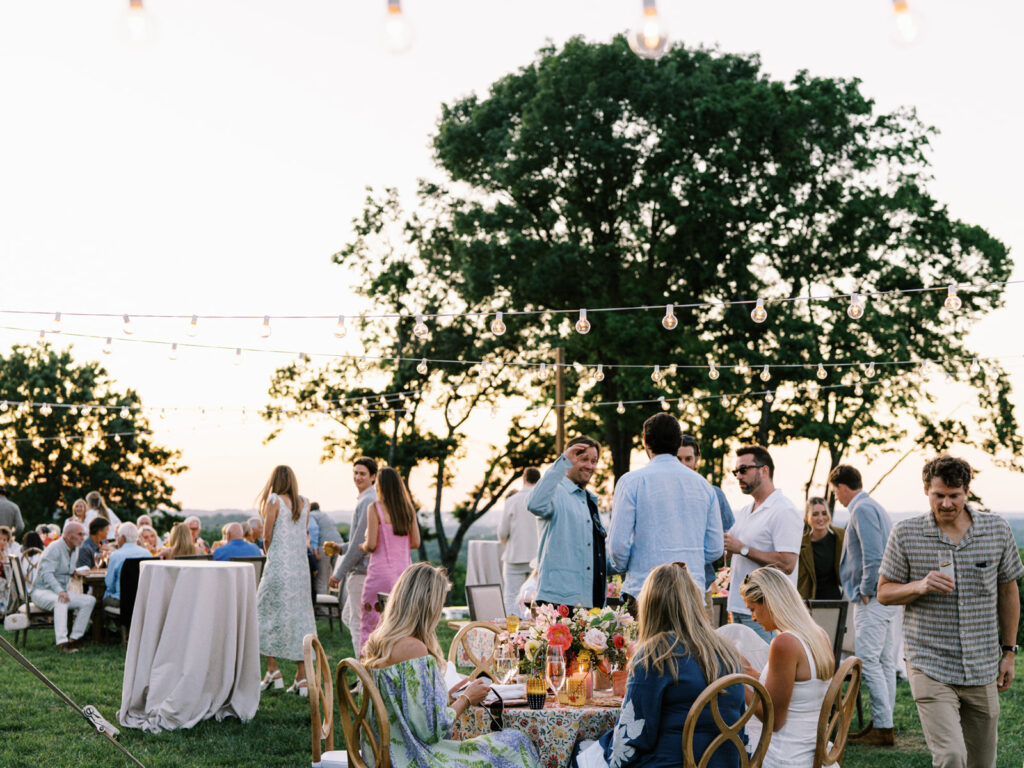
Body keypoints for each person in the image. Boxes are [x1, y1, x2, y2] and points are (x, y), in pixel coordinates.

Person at [878, 455, 1023, 768]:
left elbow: (1008, 592)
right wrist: (919, 586)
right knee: (951, 756)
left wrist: (1009, 652)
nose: (946, 504)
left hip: (982, 666)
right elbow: (884, 592)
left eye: (953, 496)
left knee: (983, 762)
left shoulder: (996, 530)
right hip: (930, 663)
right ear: (927, 492)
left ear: (966, 492)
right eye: (938, 495)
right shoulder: (905, 533)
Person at [361, 561, 541, 768]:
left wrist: (445, 699)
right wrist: (466, 699)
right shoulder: (413, 648)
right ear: (427, 606)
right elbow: (430, 732)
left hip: (384, 754)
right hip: (415, 758)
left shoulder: (380, 642)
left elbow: (406, 709)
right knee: (516, 741)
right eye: (439, 606)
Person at [575, 562, 746, 768]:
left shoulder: (656, 655)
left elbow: (633, 737)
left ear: (649, 606)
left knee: (580, 753)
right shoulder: (726, 652)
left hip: (673, 763)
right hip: (727, 763)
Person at [610, 414, 723, 615]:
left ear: (645, 440)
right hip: (691, 593)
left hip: (644, 591)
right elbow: (715, 548)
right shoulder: (704, 486)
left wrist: (632, 565)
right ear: (678, 441)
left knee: (644, 647)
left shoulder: (631, 482)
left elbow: (618, 547)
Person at [828, 464, 899, 747]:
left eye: (835, 492)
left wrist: (867, 589)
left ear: (842, 487)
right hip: (885, 599)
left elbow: (873, 555)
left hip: (873, 599)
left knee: (869, 660)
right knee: (883, 661)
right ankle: (885, 722)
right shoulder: (873, 506)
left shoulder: (861, 510)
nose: (836, 497)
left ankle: (883, 727)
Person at [739, 566, 836, 768]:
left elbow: (773, 721)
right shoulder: (818, 635)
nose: (753, 618)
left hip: (785, 756)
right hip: (815, 751)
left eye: (752, 609)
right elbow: (800, 691)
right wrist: (751, 674)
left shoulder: (784, 643)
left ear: (769, 602)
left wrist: (737, 684)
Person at [723, 446, 803, 643]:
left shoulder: (784, 510)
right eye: (736, 472)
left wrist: (742, 548)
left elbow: (787, 564)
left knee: (764, 670)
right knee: (745, 672)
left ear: (764, 470)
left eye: (743, 470)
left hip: (766, 611)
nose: (738, 477)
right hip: (738, 607)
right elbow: (731, 550)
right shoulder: (745, 510)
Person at [255, 465, 317, 696]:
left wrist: (270, 552)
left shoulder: (274, 500)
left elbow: (267, 535)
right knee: (300, 617)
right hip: (300, 569)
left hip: (279, 566)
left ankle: (273, 670)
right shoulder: (305, 503)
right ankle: (301, 677)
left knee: (264, 612)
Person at [528, 436, 607, 610]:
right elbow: (534, 504)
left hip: (591, 602)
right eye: (583, 459)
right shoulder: (555, 492)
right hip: (558, 602)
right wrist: (562, 462)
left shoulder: (590, 500)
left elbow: (596, 554)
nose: (590, 466)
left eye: (594, 461)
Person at [359, 466, 420, 652]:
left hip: (380, 573)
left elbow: (371, 545)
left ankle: (369, 671)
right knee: (401, 622)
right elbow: (415, 542)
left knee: (372, 623)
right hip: (404, 573)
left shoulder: (375, 508)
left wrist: (363, 543)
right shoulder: (407, 509)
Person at [328, 457, 378, 649]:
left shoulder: (368, 501)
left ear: (373, 477)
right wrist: (340, 548)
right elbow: (360, 540)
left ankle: (363, 674)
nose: (358, 477)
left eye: (362, 474)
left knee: (358, 624)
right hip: (362, 570)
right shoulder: (366, 499)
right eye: (355, 473)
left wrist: (338, 573)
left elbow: (360, 544)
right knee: (349, 617)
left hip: (362, 572)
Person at [678, 434, 735, 599]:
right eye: (678, 459)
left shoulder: (714, 494)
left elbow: (727, 541)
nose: (683, 465)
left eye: (688, 459)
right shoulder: (661, 496)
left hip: (702, 584)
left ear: (696, 461)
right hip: (666, 585)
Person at [31, 520, 95, 653]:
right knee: (61, 601)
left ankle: (74, 638)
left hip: (60, 590)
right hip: (41, 591)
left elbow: (65, 567)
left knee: (90, 600)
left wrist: (74, 572)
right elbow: (47, 574)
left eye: (83, 534)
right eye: (80, 534)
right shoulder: (54, 548)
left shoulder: (75, 548)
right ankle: (63, 643)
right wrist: (60, 591)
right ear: (68, 535)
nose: (83, 537)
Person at [496, 467, 540, 617]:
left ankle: (512, 635)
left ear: (524, 479)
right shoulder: (544, 500)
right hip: (538, 559)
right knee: (537, 599)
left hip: (515, 557)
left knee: (511, 597)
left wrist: (507, 545)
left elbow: (502, 532)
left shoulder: (512, 500)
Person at [796, 497, 844, 600]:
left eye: (824, 513)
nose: (821, 518)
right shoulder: (800, 543)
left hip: (834, 600)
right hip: (808, 601)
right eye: (815, 514)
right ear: (807, 517)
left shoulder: (840, 537)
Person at [103, 522, 151, 608]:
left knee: (100, 601)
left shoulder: (116, 555)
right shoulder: (147, 554)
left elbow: (109, 583)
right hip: (142, 602)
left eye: (118, 537)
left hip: (121, 602)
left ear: (123, 538)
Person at [308, 501, 343, 598]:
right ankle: (337, 608)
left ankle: (323, 609)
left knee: (321, 579)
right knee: (337, 578)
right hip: (339, 544)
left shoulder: (311, 515)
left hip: (325, 546)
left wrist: (314, 549)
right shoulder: (325, 516)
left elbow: (313, 529)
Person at [0, 526, 14, 618]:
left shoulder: (6, 552)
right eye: (0, 539)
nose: (2, 542)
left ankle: (4, 611)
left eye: (5, 540)